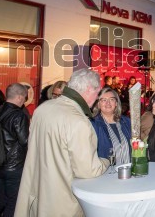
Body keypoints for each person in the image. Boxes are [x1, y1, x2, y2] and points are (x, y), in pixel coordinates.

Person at [15, 69, 109, 216]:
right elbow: (88, 170)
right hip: (62, 201)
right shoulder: (78, 121)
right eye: (97, 93)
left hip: (37, 191)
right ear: (89, 89)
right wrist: (107, 161)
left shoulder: (42, 109)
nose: (97, 98)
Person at [0, 83, 30, 217]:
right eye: (24, 97)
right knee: (13, 203)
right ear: (18, 97)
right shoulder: (19, 115)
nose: (24, 100)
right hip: (14, 167)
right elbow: (25, 141)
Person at [91, 87, 131, 165]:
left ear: (116, 103)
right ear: (98, 104)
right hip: (106, 173)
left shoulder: (127, 121)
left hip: (128, 171)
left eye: (111, 99)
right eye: (104, 100)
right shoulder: (93, 124)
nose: (108, 103)